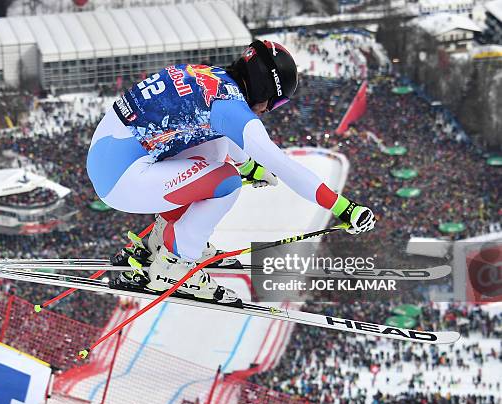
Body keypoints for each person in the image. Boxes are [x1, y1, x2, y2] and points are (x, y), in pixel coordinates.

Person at [87, 40, 375, 304]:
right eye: (276, 102)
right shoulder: (231, 108)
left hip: (110, 161)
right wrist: (343, 208)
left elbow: (221, 138)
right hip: (123, 181)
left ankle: (166, 241)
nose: (268, 110)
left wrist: (250, 167)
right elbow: (285, 166)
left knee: (214, 151)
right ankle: (175, 265)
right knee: (227, 181)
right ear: (265, 87)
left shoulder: (212, 78)